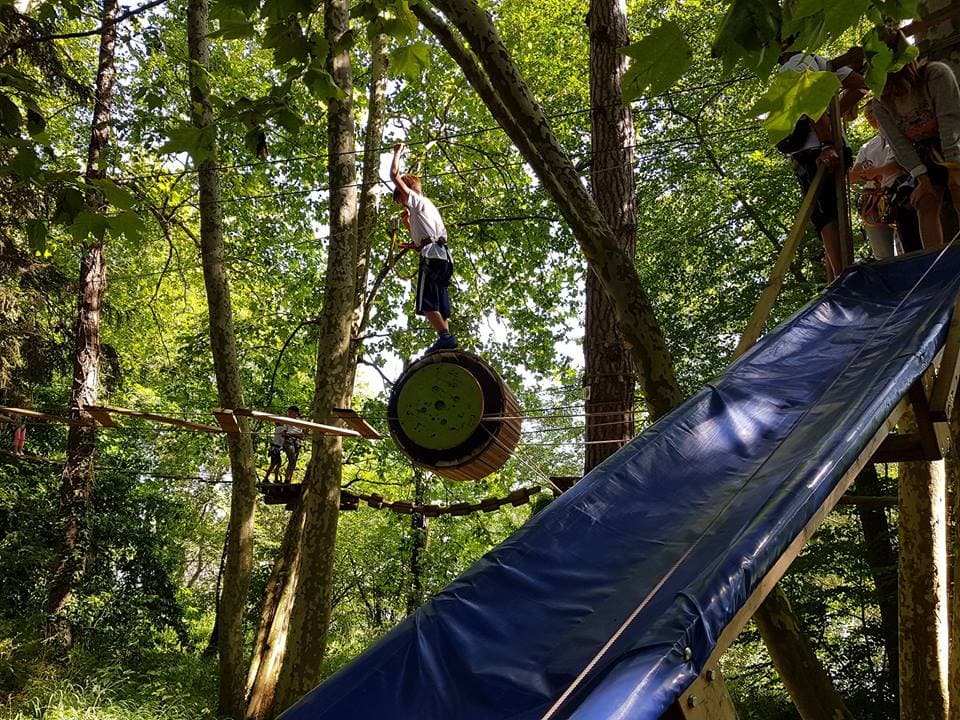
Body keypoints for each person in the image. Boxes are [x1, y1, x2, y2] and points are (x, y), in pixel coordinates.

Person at [777, 47, 867, 281]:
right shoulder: (823, 62)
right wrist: (833, 117)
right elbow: (860, 86)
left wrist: (826, 141)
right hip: (836, 145)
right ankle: (837, 279)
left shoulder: (793, 65)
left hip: (815, 150)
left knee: (824, 216)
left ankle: (843, 278)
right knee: (835, 211)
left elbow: (810, 99)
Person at [870, 53, 960, 249]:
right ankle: (934, 260)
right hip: (925, 152)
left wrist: (954, 168)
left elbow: (950, 122)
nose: (893, 91)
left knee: (957, 188)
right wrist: (922, 179)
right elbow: (898, 143)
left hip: (954, 141)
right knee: (925, 201)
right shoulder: (880, 102)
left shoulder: (936, 75)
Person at [390, 142, 457, 354]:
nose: (402, 204)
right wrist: (407, 223)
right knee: (439, 302)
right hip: (443, 257)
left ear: (406, 192)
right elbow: (423, 240)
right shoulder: (427, 208)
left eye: (401, 199)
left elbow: (394, 175)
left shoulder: (417, 201)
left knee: (426, 301)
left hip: (432, 257)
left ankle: (445, 337)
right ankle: (446, 339)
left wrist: (397, 153)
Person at [849, 102, 922, 258]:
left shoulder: (900, 136)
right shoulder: (867, 147)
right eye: (866, 115)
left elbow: (898, 166)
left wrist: (874, 172)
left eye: (872, 112)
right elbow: (853, 176)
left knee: (909, 246)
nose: (869, 116)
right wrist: (876, 173)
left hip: (901, 195)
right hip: (875, 202)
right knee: (882, 252)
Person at [265, 406, 303, 484]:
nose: (288, 414)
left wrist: (297, 435)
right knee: (290, 461)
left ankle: (286, 480)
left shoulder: (301, 422)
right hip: (286, 443)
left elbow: (302, 433)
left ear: (296, 413)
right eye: (288, 412)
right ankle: (285, 480)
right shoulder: (284, 424)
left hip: (296, 443)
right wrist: (289, 434)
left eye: (290, 412)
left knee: (290, 463)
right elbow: (284, 432)